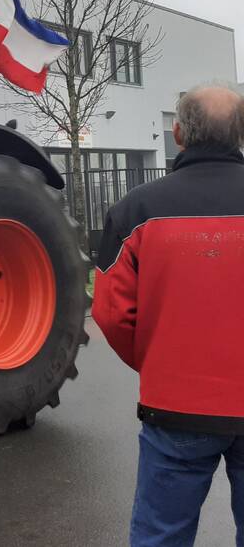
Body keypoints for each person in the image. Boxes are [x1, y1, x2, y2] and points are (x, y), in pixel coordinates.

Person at [93, 84, 244, 546]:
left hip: (174, 408)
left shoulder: (135, 210)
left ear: (178, 133)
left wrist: (158, 359)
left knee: (161, 537)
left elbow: (112, 314)